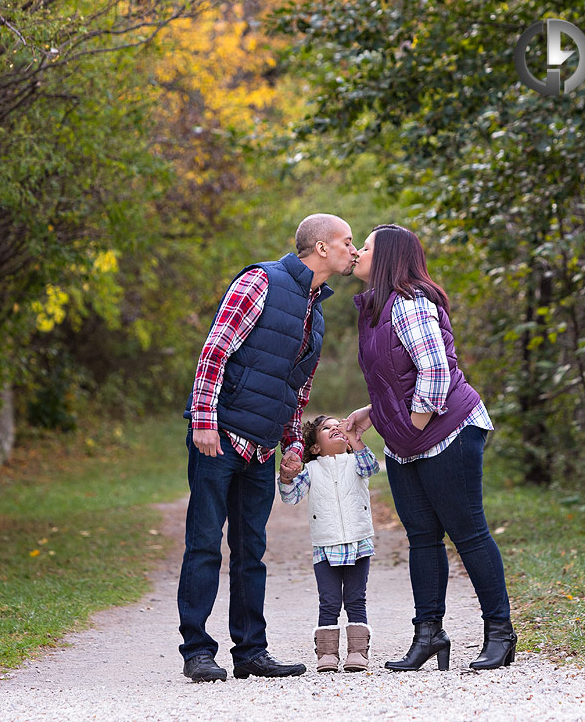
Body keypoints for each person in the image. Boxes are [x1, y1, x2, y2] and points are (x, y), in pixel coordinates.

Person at [177, 214, 358, 683]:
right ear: (321, 248)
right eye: (347, 242)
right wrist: (203, 420)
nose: (353, 251)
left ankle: (250, 652)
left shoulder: (315, 313)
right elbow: (215, 350)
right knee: (203, 546)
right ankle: (197, 651)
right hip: (219, 439)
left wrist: (294, 444)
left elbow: (298, 390)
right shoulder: (261, 281)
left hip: (260, 449)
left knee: (250, 550)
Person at [342, 223, 517, 672]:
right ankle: (429, 634)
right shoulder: (376, 309)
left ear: (387, 260)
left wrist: (413, 423)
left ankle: (500, 634)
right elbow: (397, 373)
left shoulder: (410, 302)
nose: (357, 253)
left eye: (365, 247)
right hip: (407, 438)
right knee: (422, 537)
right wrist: (374, 412)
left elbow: (436, 371)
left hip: (449, 430)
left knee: (468, 532)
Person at [278, 415, 379, 672]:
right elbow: (291, 498)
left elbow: (372, 467)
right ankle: (327, 653)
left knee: (356, 598)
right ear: (315, 447)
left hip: (358, 542)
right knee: (329, 600)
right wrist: (288, 478)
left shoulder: (356, 461)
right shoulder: (311, 470)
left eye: (339, 426)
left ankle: (357, 652)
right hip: (325, 545)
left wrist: (355, 439)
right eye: (327, 428)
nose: (335, 428)